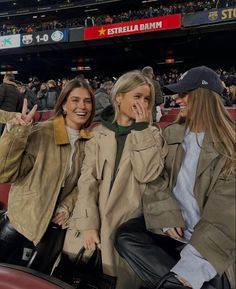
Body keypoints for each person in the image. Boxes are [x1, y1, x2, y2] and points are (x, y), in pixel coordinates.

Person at [115, 66, 235, 289]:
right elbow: (155, 179)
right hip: (173, 229)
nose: (177, 99)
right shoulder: (171, 133)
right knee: (126, 235)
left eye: (184, 93)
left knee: (186, 278)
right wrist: (167, 215)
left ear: (203, 97)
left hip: (209, 242)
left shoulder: (231, 146)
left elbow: (224, 219)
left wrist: (188, 270)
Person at [69, 70, 168, 289]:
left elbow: (146, 174)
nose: (142, 103)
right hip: (93, 227)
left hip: (127, 230)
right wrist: (87, 223)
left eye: (147, 99)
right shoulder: (98, 133)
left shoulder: (153, 134)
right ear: (119, 96)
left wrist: (142, 129)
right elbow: (87, 181)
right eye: (137, 96)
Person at [0, 79, 95, 274]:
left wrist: (67, 205)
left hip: (52, 232)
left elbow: (85, 183)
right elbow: (5, 173)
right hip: (20, 225)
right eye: (75, 100)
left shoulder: (90, 143)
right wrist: (16, 133)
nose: (82, 106)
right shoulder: (42, 132)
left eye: (87, 101)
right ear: (64, 105)